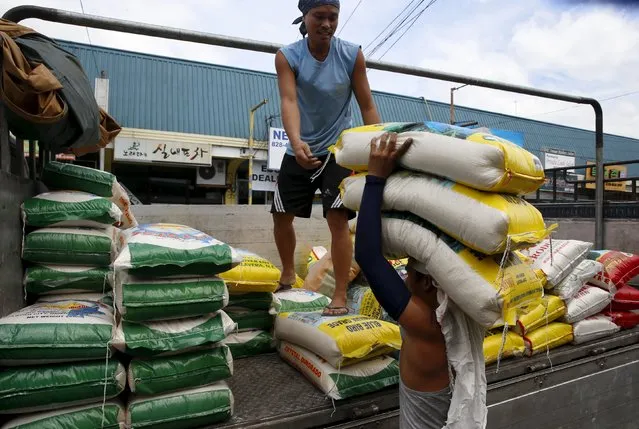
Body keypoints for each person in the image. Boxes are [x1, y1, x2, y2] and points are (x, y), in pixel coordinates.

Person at [271, 0, 381, 316]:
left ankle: (340, 295)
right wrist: (295, 140)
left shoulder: (351, 54)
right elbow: (289, 101)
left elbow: (367, 104)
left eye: (333, 17)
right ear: (305, 17)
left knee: (337, 220)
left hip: (338, 149)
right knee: (281, 216)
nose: (327, 24)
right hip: (298, 148)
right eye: (319, 17)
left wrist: (375, 143)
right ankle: (288, 274)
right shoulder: (287, 56)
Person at [354, 132, 452, 429]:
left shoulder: (427, 326)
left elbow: (369, 258)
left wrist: (375, 179)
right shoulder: (464, 317)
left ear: (427, 283)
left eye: (409, 270)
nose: (403, 275)